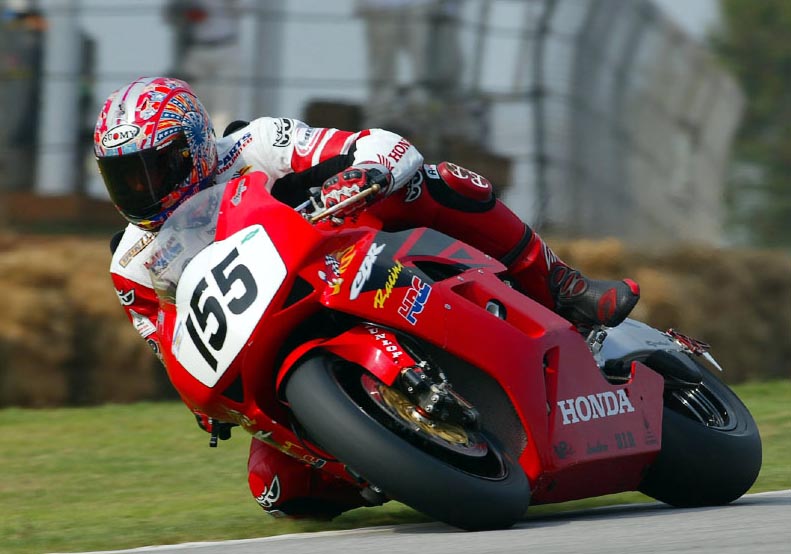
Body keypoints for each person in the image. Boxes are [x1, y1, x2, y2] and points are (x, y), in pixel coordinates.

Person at [96, 76, 639, 519]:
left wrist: (364, 172)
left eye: (155, 169)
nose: (143, 190)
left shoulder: (254, 144)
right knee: (277, 491)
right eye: (125, 179)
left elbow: (381, 145)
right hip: (263, 342)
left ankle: (560, 284)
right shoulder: (131, 265)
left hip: (337, 258)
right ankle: (384, 461)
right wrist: (206, 404)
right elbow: (166, 343)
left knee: (431, 180)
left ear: (194, 145)